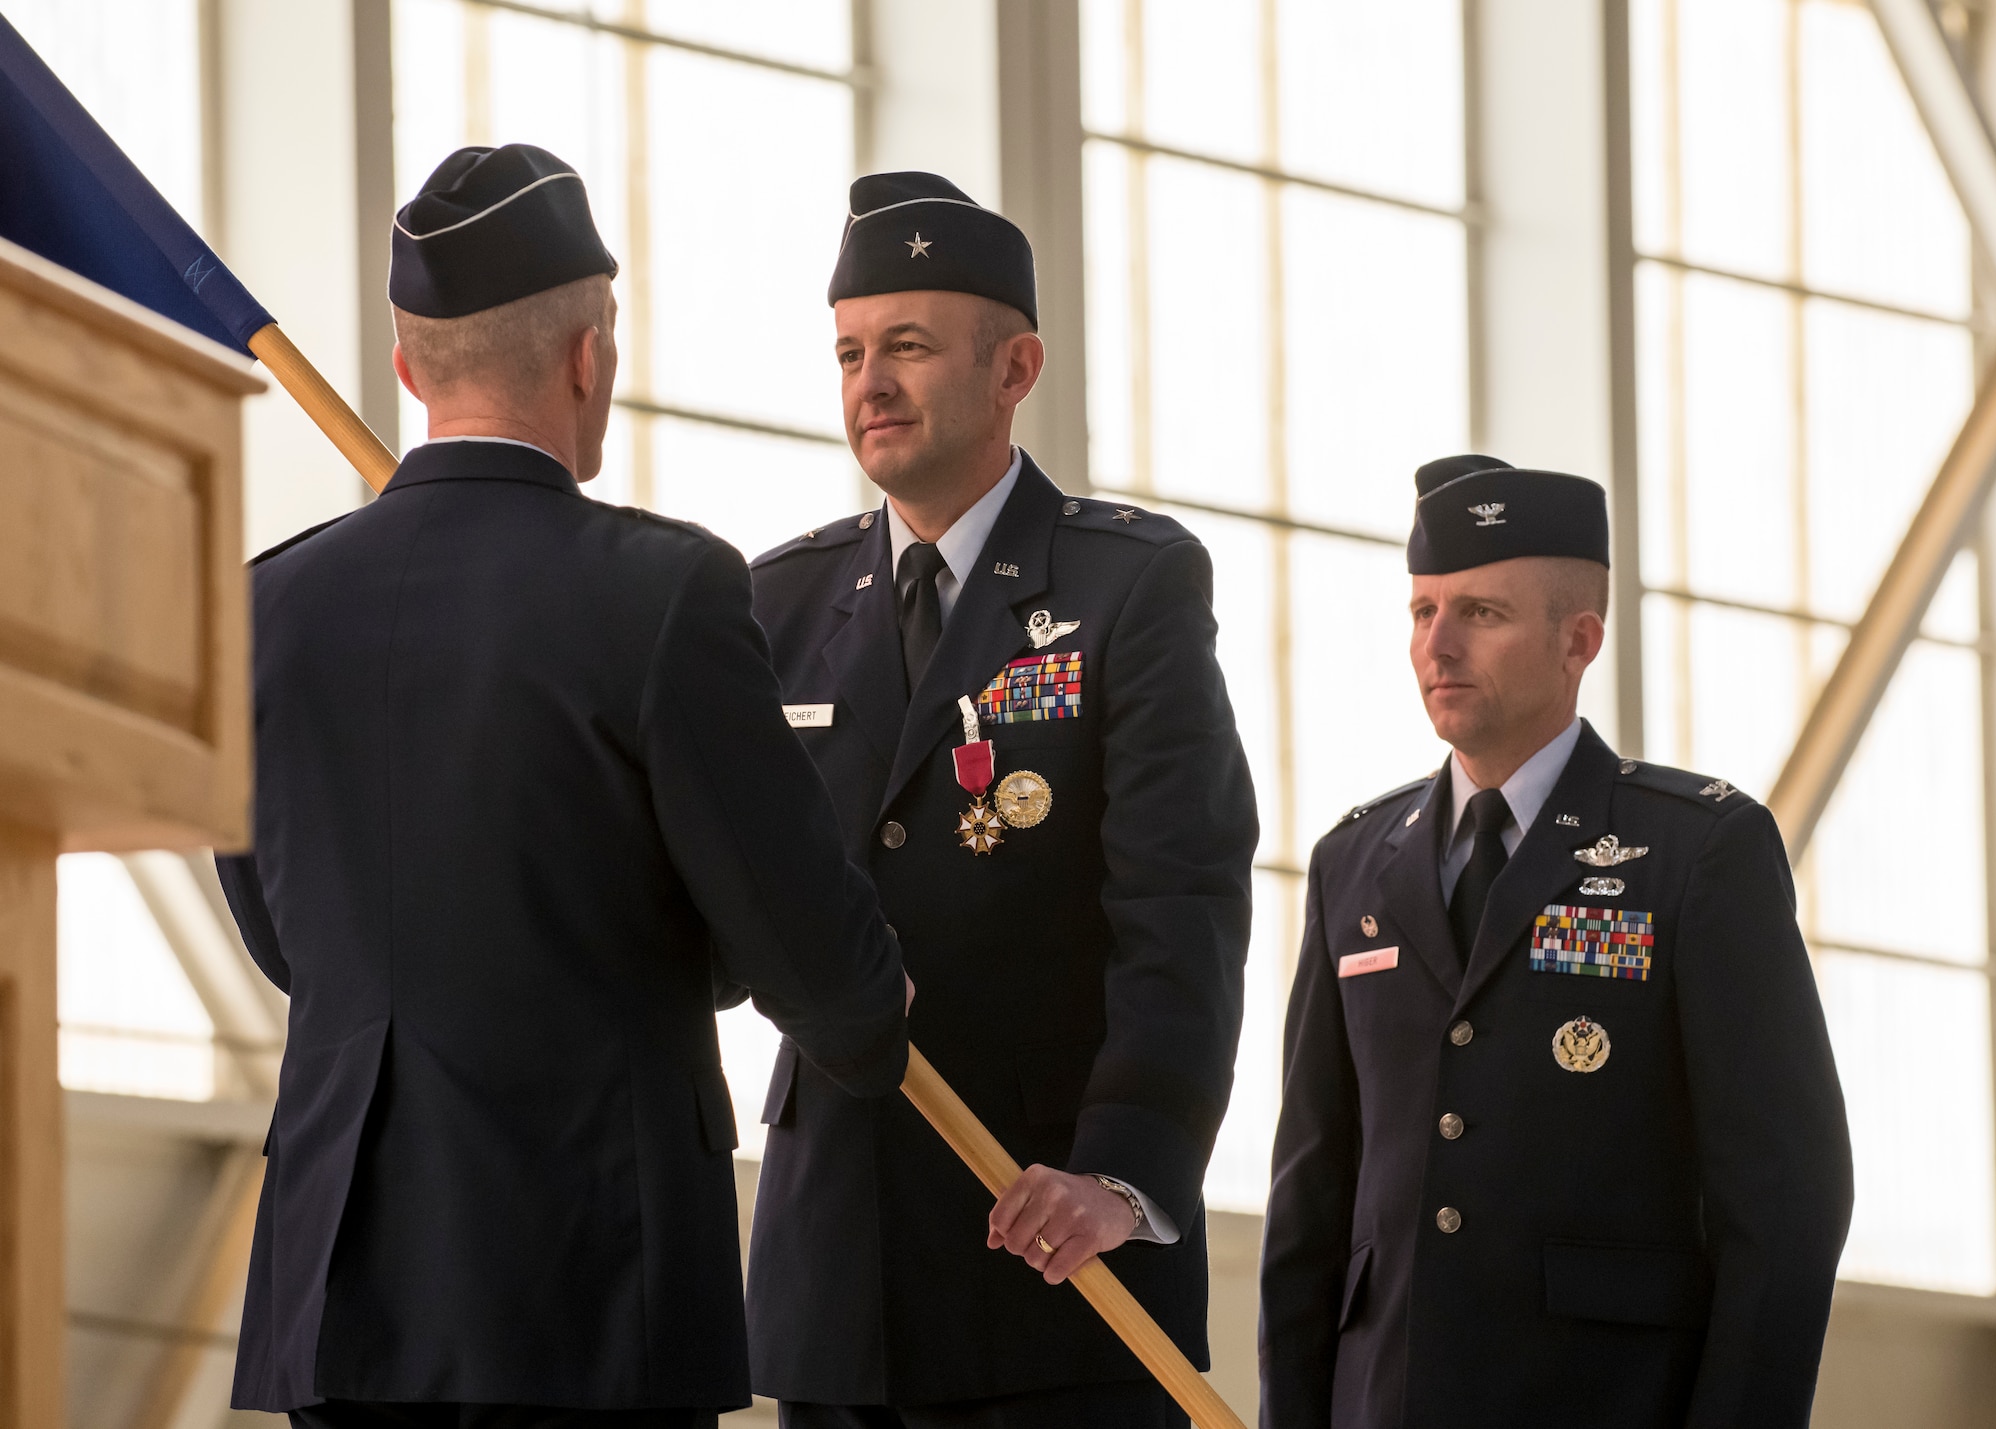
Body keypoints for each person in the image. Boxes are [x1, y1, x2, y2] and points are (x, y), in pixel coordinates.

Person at [214, 143, 911, 1428]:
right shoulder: (661, 592)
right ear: (590, 350)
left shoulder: (263, 605)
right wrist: (873, 1010)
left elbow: (280, 928)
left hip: (348, 1284)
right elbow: (794, 936)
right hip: (585, 1281)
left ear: (407, 363)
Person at [743, 171, 1258, 1429]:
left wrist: (1123, 1175)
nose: (870, 382)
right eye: (851, 351)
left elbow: (1178, 904)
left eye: (908, 347)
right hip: (837, 1277)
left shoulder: (1125, 583)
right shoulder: (778, 603)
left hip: (1049, 1253)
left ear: (1015, 365)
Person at [1259, 454, 1854, 1428]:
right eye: (1421, 611)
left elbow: (1786, 1200)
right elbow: (1310, 1201)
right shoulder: (1351, 864)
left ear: (1577, 639)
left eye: (1479, 614)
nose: (1436, 646)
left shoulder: (1695, 851)